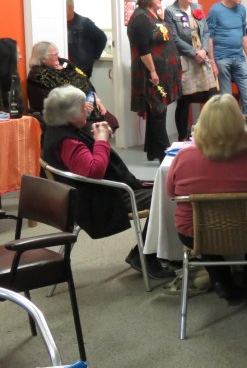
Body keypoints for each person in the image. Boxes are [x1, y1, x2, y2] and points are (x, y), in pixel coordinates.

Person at [41, 86, 174, 279]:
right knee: (166, 196)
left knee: (164, 189)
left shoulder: (59, 129)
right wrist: (102, 140)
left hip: (97, 192)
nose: (87, 110)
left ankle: (152, 252)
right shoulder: (67, 142)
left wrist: (99, 130)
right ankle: (145, 256)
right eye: (82, 108)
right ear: (69, 114)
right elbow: (94, 171)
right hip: (98, 200)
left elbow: (101, 127)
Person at [166, 94, 247, 302]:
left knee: (202, 224)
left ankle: (221, 281)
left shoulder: (183, 157)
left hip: (195, 233)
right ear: (240, 123)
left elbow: (171, 193)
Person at [127, 0, 180, 162]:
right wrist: (153, 71)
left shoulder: (152, 15)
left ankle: (153, 151)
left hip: (163, 72)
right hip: (151, 74)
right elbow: (144, 50)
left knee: (157, 112)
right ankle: (165, 153)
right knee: (158, 111)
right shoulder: (140, 19)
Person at [164, 0, 218, 141]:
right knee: (184, 100)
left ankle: (209, 132)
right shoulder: (170, 11)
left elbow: (206, 32)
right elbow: (174, 37)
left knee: (212, 95)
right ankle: (182, 137)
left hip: (202, 57)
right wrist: (193, 53)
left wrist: (203, 51)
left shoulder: (197, 7)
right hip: (186, 59)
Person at [26, 41, 119, 131]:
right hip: (69, 114)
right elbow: (51, 101)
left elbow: (84, 79)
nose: (57, 57)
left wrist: (97, 101)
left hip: (89, 105)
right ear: (42, 58)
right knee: (100, 128)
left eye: (57, 53)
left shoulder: (63, 62)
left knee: (112, 122)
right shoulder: (38, 75)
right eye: (54, 55)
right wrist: (79, 105)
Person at [207, 0, 247, 115]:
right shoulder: (215, 10)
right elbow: (209, 38)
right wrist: (212, 62)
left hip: (240, 58)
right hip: (222, 59)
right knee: (227, 100)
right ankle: (229, 126)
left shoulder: (242, 9)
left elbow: (243, 34)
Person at [66, 0, 107, 77]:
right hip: (67, 67)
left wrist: (94, 57)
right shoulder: (60, 24)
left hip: (82, 68)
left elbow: (102, 38)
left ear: (70, 7)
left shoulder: (84, 23)